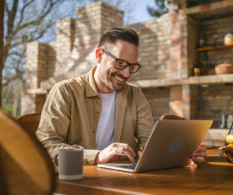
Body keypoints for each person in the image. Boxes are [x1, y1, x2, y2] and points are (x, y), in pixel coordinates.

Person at [36, 27, 206, 166]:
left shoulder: (135, 94)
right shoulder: (65, 91)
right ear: (99, 56)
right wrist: (96, 156)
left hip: (123, 181)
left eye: (132, 67)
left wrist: (183, 154)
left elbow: (149, 143)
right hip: (77, 182)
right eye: (120, 63)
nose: (126, 73)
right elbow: (47, 144)